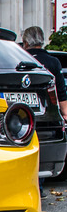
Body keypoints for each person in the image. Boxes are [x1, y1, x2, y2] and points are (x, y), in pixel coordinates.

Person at [22, 26, 67, 198]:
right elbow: (60, 91)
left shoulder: (20, 58)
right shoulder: (53, 62)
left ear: (26, 42)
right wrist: (64, 114)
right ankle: (38, 188)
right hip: (45, 115)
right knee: (41, 149)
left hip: (20, 115)